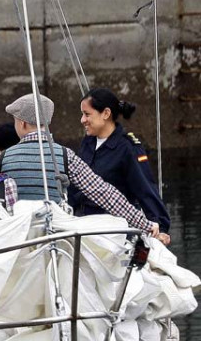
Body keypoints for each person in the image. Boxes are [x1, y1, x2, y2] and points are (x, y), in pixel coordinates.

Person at [0, 93, 162, 239]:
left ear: (22, 124)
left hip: (19, 238)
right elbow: (104, 193)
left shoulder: (3, 158)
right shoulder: (64, 155)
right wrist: (145, 224)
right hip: (55, 238)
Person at [69, 88, 170, 245]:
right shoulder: (88, 142)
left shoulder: (128, 148)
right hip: (82, 227)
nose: (82, 120)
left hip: (113, 232)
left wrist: (161, 227)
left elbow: (145, 189)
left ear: (106, 113)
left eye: (87, 114)